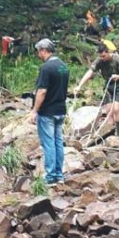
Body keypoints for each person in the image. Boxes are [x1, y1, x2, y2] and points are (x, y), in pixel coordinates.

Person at [29, 39, 70, 185]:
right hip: (61, 110)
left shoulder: (46, 68)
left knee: (49, 144)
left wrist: (34, 111)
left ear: (43, 50)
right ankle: (59, 175)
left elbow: (42, 91)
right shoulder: (63, 67)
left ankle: (50, 176)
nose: (38, 54)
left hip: (47, 111)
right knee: (58, 142)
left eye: (38, 51)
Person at [73, 43, 119, 136]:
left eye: (103, 56)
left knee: (116, 108)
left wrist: (118, 76)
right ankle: (109, 133)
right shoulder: (99, 61)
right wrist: (79, 86)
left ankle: (118, 134)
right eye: (100, 56)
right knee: (108, 110)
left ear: (108, 52)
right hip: (108, 85)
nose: (102, 58)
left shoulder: (116, 58)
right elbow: (89, 73)